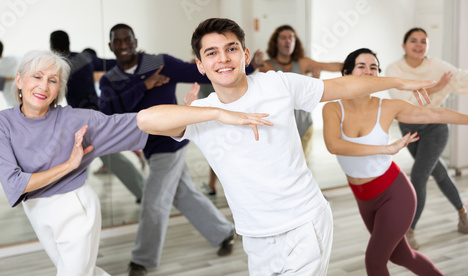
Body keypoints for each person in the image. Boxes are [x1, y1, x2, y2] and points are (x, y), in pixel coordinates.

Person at [135, 18, 435, 276]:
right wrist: (220, 113)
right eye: (211, 53)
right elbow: (146, 120)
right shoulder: (201, 113)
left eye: (231, 49)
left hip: (303, 223)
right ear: (200, 66)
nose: (223, 58)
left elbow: (341, 87)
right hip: (255, 236)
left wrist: (398, 82)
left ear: (245, 54)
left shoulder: (276, 85)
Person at [99, 23, 261, 276]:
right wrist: (144, 86)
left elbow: (198, 72)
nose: (123, 46)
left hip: (171, 142)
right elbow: (108, 112)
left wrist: (250, 66)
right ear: (110, 46)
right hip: (149, 147)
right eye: (117, 42)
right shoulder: (111, 79)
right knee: (183, 194)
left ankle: (141, 261)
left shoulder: (158, 63)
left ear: (135, 40)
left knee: (154, 201)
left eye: (127, 40)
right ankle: (224, 232)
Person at [0, 50, 148, 276]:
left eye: (53, 81)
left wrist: (193, 116)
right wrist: (69, 165)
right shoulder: (0, 123)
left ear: (58, 90)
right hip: (37, 210)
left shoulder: (75, 119)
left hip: (74, 207)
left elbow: (137, 122)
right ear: (19, 80)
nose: (44, 86)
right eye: (37, 76)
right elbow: (15, 184)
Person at [321, 48, 456, 275]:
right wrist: (385, 148)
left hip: (395, 194)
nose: (368, 71)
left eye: (374, 67)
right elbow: (334, 145)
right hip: (364, 197)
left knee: (374, 262)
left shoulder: (386, 107)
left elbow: (437, 114)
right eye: (361, 66)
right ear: (346, 73)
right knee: (403, 255)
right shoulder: (333, 108)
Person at [386, 27, 468, 249]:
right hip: (410, 129)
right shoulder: (394, 69)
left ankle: (408, 230)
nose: (419, 45)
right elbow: (403, 100)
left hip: (436, 127)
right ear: (404, 46)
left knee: (419, 177)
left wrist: (440, 88)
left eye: (423, 41)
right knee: (439, 172)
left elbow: (461, 78)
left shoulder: (437, 66)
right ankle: (463, 214)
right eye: (414, 41)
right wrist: (436, 88)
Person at [50, 30, 145, 202]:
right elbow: (111, 63)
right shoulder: (83, 58)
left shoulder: (57, 65)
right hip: (96, 114)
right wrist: (136, 59)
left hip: (80, 120)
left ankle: (74, 198)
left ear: (53, 46)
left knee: (87, 160)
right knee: (95, 158)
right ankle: (142, 192)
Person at [259, 25, 343, 162]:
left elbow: (330, 66)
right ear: (276, 42)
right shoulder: (266, 66)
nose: (288, 41)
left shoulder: (303, 63)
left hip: (304, 125)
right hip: (280, 128)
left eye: (291, 37)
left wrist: (356, 63)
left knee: (303, 166)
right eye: (283, 37)